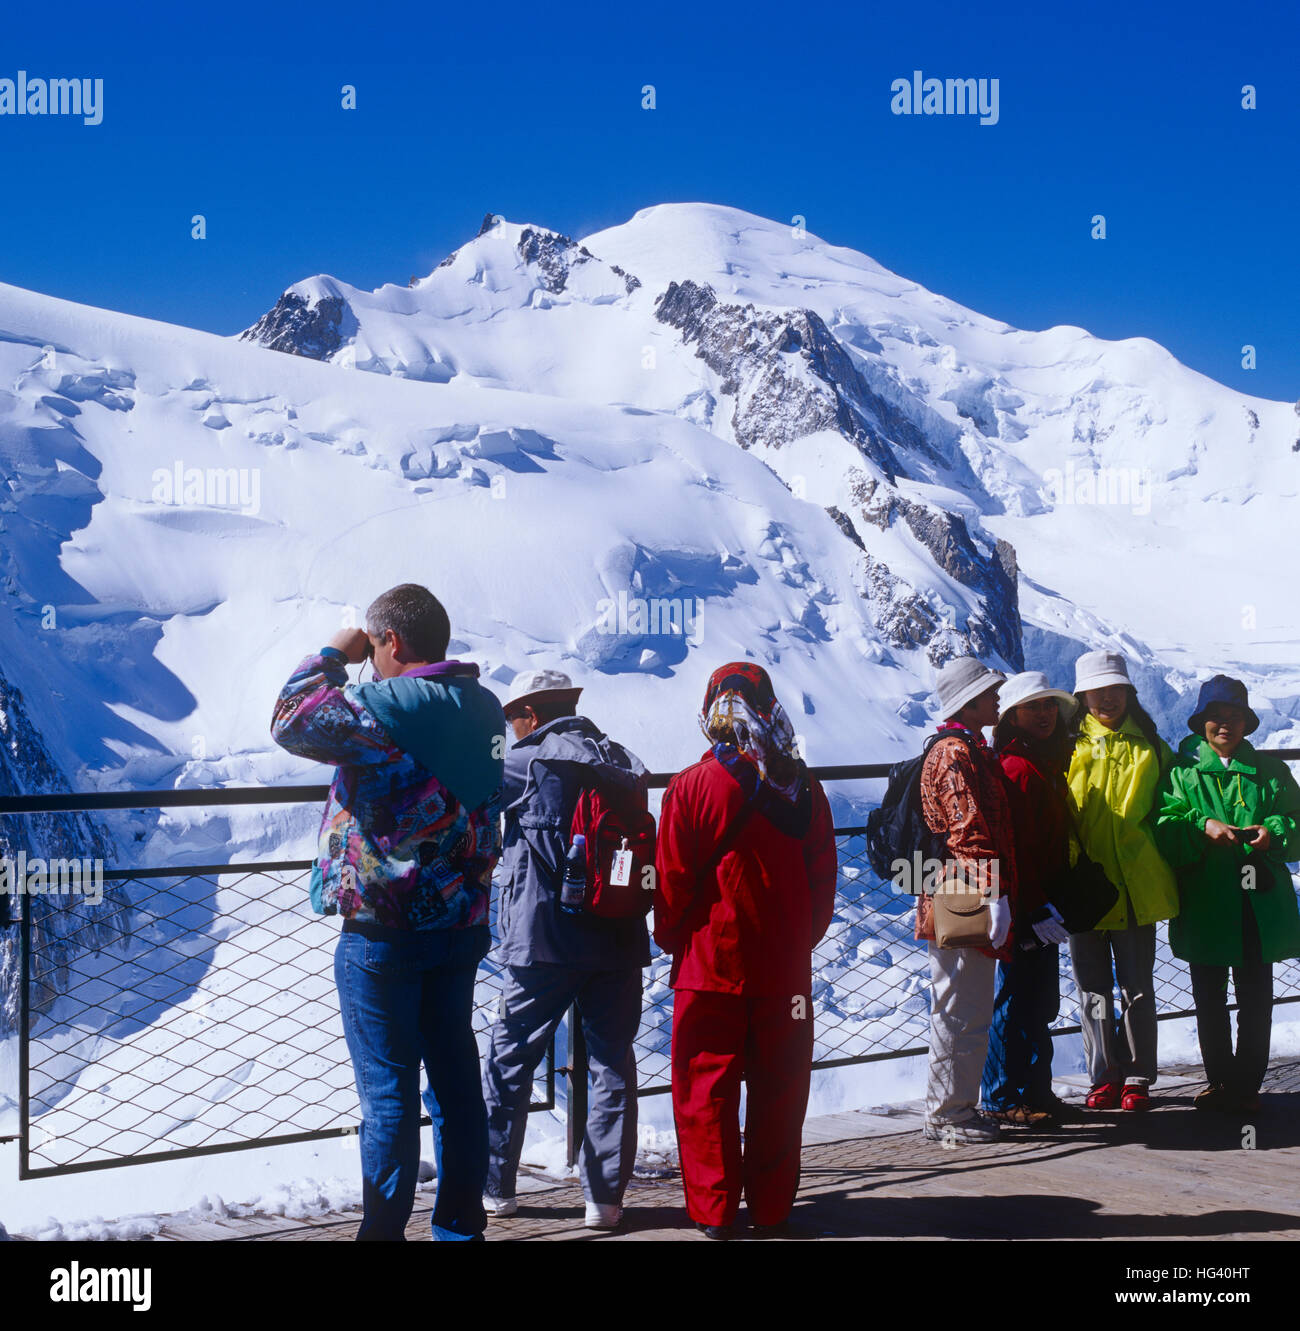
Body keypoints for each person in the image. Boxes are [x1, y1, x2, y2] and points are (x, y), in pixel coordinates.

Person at [270, 584, 505, 1241]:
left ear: (392, 643)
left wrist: (332, 653)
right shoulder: (484, 705)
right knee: (456, 1085)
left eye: (374, 646)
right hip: (460, 924)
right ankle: (460, 1228)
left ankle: (382, 1236)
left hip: (385, 931)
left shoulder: (388, 701)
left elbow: (291, 717)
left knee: (389, 1097)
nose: (370, 658)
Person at [654, 663, 836, 1239]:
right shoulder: (804, 788)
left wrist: (676, 941)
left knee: (706, 1090)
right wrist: (793, 944)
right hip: (785, 974)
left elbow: (672, 882)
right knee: (781, 1090)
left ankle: (714, 1212)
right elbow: (822, 882)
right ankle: (773, 1207)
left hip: (710, 969)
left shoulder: (691, 785)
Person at [481, 669, 650, 1231]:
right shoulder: (624, 761)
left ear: (529, 714)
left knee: (510, 1060)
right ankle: (603, 1201)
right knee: (611, 1066)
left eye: (512, 720)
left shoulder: (525, 761)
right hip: (619, 936)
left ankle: (495, 1187)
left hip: (543, 941)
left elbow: (465, 791)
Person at [1155, 675, 1300, 1112]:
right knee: (1210, 997)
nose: (1225, 725)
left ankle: (1245, 1086)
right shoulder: (1180, 774)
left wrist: (1272, 833)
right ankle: (1221, 1081)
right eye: (1217, 717)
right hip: (1207, 901)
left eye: (1234, 717)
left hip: (1255, 905)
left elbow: (1297, 821)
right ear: (1202, 723)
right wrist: (1203, 826)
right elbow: (1166, 826)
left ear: (1246, 723)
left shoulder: (1273, 773)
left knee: (1256, 997)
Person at [1065, 650, 1177, 1112]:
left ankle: (1136, 1076)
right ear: (1082, 697)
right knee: (1092, 989)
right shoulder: (1067, 748)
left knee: (1136, 986)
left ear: (1128, 692)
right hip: (1082, 890)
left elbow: (1172, 809)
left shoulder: (1152, 748)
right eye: (1097, 691)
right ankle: (1102, 1074)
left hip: (1134, 885)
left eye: (1114, 689)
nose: (1106, 698)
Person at [916, 656, 1017, 1144]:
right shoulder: (957, 752)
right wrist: (993, 891)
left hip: (960, 889)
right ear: (969, 701)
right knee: (961, 1006)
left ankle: (953, 1108)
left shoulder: (962, 746)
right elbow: (967, 828)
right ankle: (948, 1115)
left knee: (962, 1004)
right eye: (989, 692)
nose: (997, 697)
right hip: (965, 894)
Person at [982, 671, 1078, 1127]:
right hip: (1029, 906)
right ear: (1013, 717)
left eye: (1049, 706)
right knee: (1020, 998)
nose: (1044, 714)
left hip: (1039, 904)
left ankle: (1034, 1091)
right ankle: (1004, 1097)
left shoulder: (1036, 761)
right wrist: (1035, 905)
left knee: (1035, 998)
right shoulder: (1019, 768)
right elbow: (1018, 846)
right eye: (1032, 707)